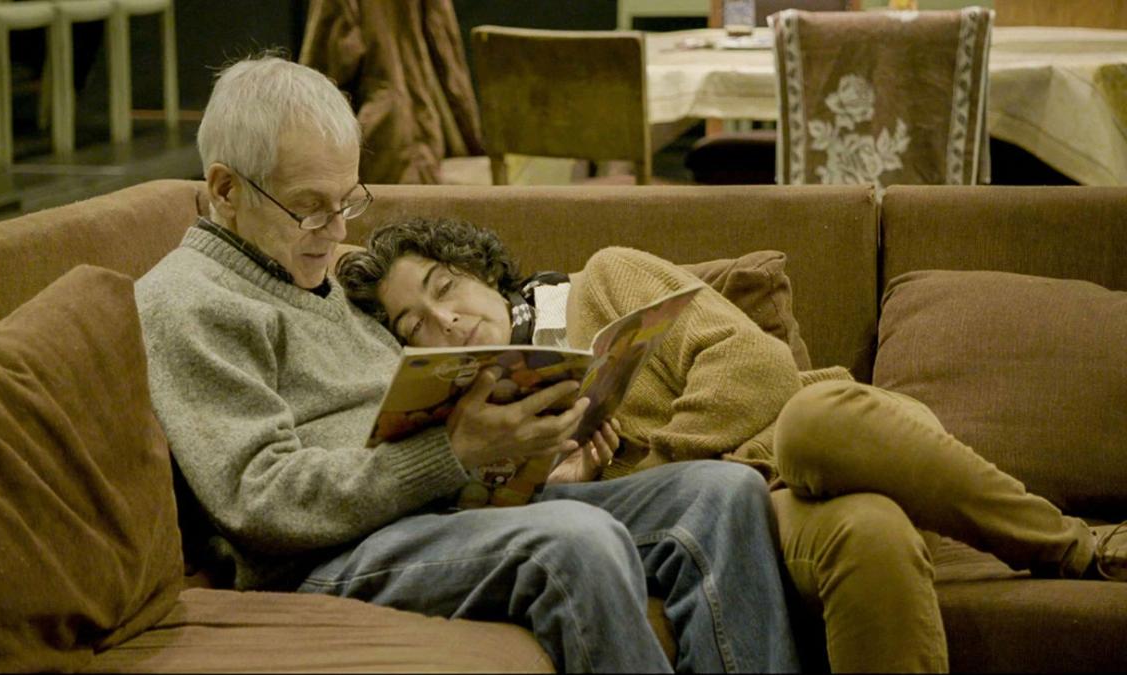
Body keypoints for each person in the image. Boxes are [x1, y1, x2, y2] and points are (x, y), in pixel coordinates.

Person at [135, 54, 802, 673]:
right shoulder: (188, 300)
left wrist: (519, 447)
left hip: (439, 514)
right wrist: (452, 451)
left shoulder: (311, 272)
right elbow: (260, 501)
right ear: (225, 189)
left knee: (721, 496)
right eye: (310, 208)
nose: (337, 232)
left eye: (347, 201)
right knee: (574, 541)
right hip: (325, 557)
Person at [336, 216, 1127, 673]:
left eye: (444, 288)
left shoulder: (603, 281)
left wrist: (658, 460)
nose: (445, 321)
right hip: (762, 514)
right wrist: (574, 480)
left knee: (815, 421)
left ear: (478, 267)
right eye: (414, 324)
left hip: (818, 446)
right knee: (871, 535)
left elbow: (756, 368)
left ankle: (1075, 545)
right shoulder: (465, 425)